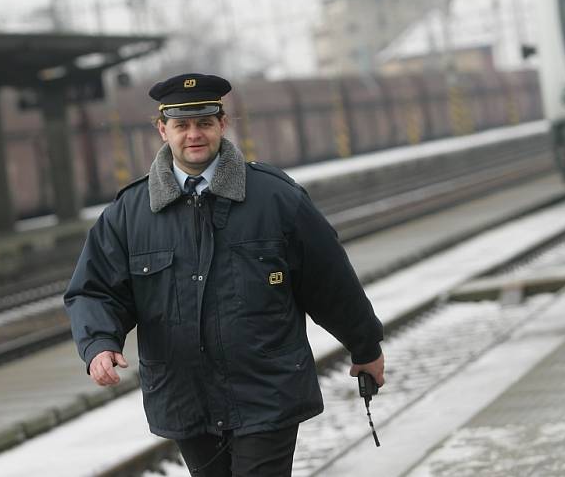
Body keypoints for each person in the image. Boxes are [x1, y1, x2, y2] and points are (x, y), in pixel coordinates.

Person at [64, 72, 385, 477]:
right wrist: (98, 343)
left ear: (222, 124)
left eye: (204, 123)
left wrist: (365, 346)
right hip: (186, 397)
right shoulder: (130, 214)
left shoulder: (275, 198)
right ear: (163, 130)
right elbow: (94, 290)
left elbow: (330, 282)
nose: (193, 134)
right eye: (182, 125)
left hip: (266, 391)